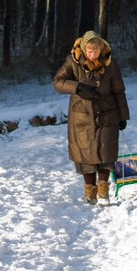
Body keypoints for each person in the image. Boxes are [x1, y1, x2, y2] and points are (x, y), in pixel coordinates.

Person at [53, 30, 130, 205]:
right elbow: (57, 82)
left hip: (108, 113)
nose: (93, 55)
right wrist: (78, 88)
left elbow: (119, 90)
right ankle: (90, 191)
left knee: (106, 152)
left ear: (101, 49)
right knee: (85, 154)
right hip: (81, 115)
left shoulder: (110, 63)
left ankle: (103, 189)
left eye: (96, 51)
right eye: (89, 51)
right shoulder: (72, 61)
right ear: (83, 48)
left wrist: (123, 115)